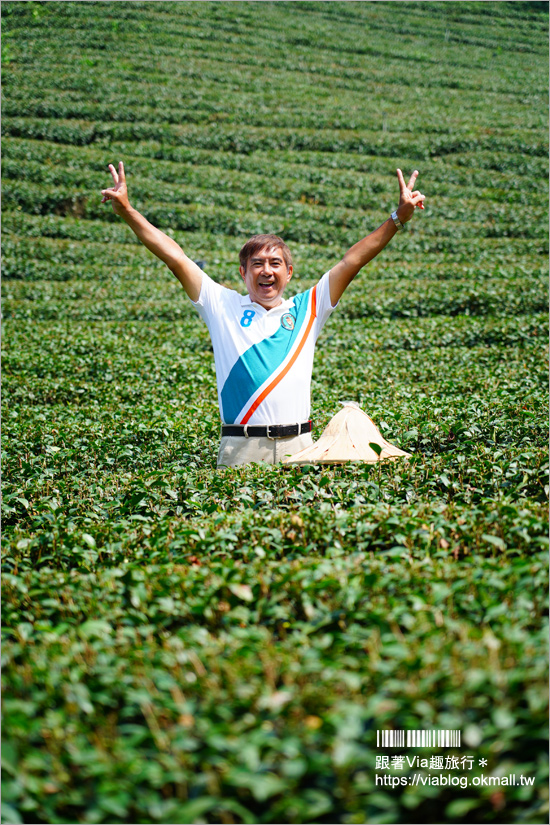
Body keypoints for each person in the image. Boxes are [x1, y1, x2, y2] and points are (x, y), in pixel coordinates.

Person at [101, 162, 425, 467]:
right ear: (243, 272)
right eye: (257, 264)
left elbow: (351, 262)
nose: (266, 271)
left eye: (275, 264)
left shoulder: (307, 308)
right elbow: (176, 258)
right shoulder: (222, 306)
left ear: (289, 272)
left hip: (300, 445)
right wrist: (128, 211)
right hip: (241, 448)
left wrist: (397, 218)